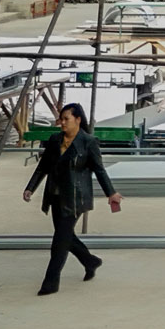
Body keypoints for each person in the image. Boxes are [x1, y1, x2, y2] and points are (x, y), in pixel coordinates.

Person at [22, 101, 123, 295]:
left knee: (59, 241)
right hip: (55, 196)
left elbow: (99, 170)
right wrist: (30, 188)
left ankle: (51, 283)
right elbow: (43, 167)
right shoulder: (54, 140)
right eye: (61, 119)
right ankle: (91, 261)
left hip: (75, 198)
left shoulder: (88, 142)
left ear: (78, 119)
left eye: (66, 119)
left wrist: (111, 192)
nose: (63, 123)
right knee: (66, 236)